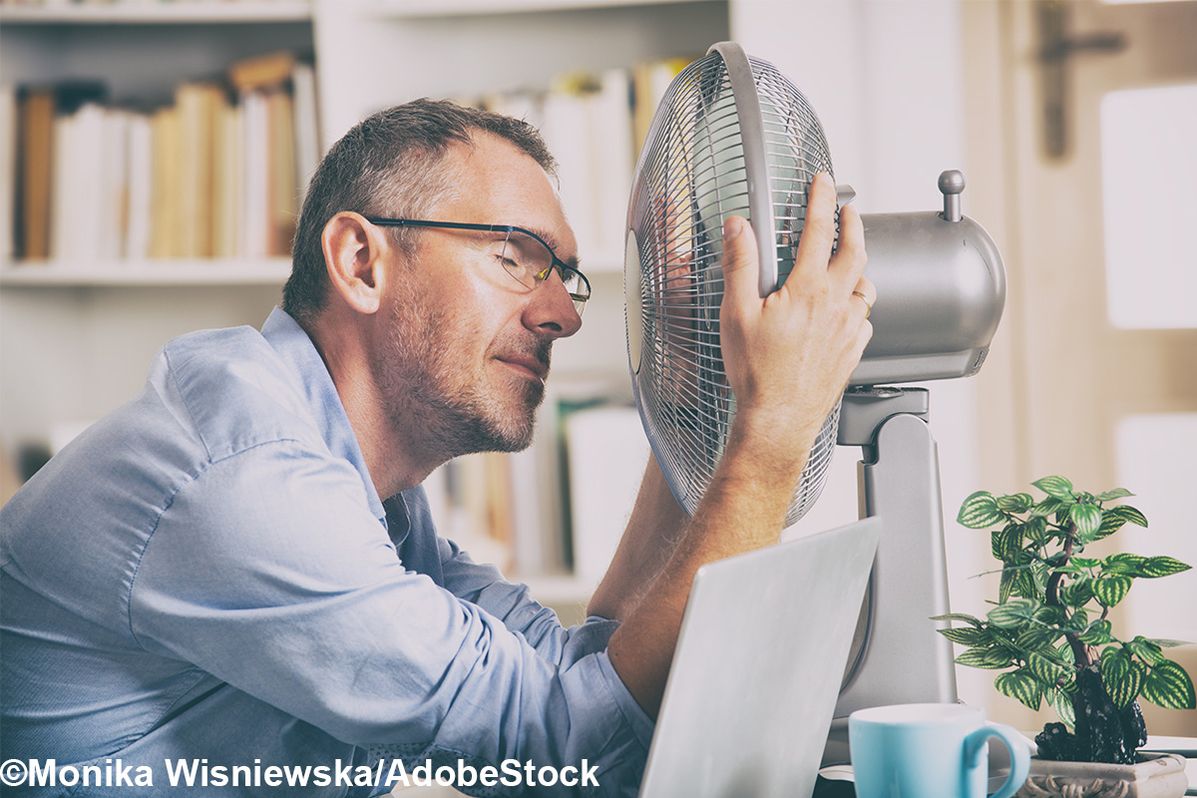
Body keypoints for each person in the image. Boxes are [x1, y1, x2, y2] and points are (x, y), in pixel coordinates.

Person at [0, 99, 875, 797]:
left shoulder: (364, 490)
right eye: (514, 256)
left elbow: (586, 676)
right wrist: (768, 435)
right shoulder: (248, 484)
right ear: (361, 261)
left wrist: (696, 401)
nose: (566, 313)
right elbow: (569, 759)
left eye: (565, 277)